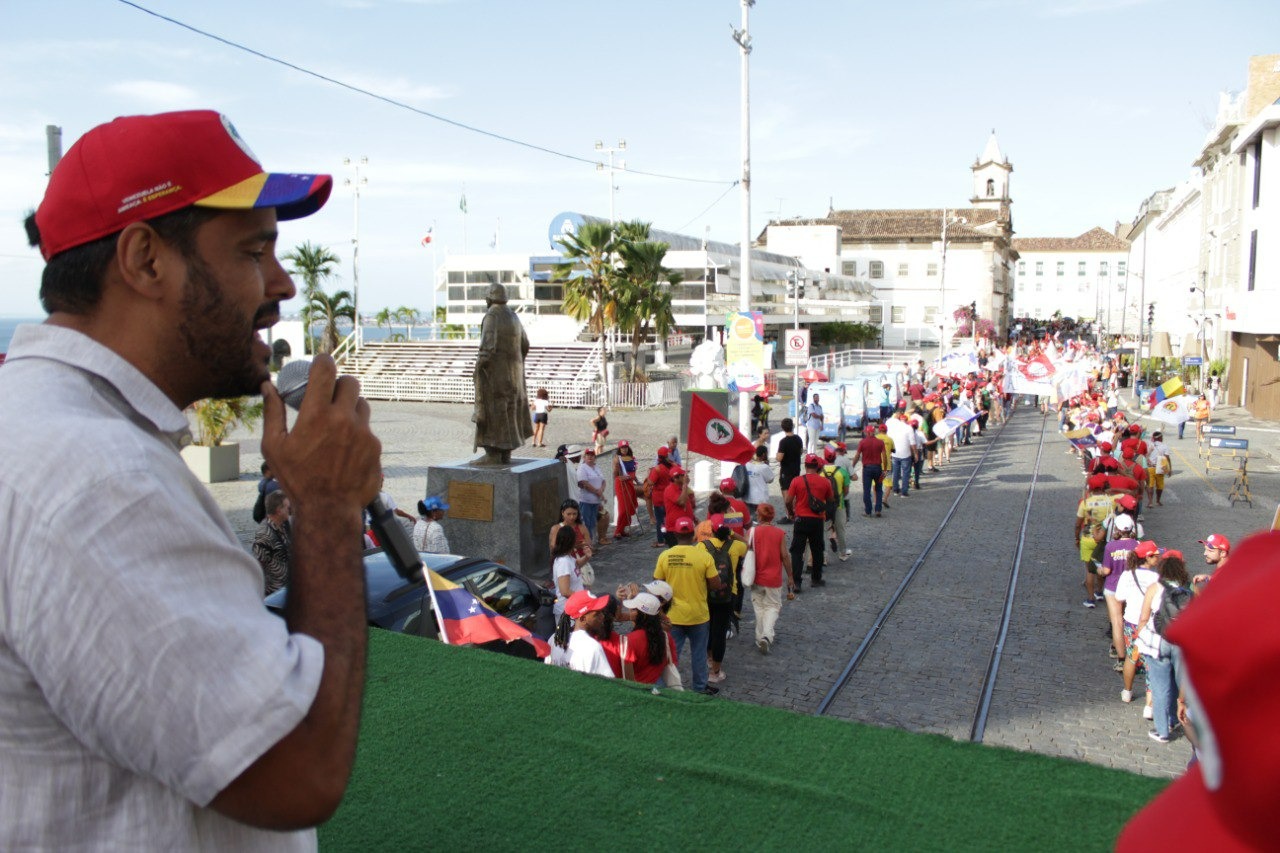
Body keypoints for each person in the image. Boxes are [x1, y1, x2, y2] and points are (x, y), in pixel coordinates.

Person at [2, 110, 380, 846]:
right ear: (145, 260)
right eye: (253, 250)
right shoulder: (94, 478)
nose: (284, 283)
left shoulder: (50, 425)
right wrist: (330, 503)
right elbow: (298, 768)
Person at [654, 517, 724, 695]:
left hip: (673, 615)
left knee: (670, 654)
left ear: (675, 534)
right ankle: (699, 688)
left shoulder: (665, 556)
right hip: (698, 614)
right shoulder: (703, 556)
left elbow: (657, 585)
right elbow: (715, 584)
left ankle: (663, 687)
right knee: (699, 654)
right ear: (693, 535)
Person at [1133, 548, 1193, 743]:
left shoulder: (1155, 588)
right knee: (1177, 681)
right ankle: (1174, 717)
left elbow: (1143, 617)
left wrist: (1140, 636)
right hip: (1181, 642)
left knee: (1160, 686)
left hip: (1158, 641)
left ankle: (1162, 730)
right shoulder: (1188, 590)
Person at [472, 283, 533, 464]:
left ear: (489, 298)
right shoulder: (513, 316)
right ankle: (505, 453)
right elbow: (525, 344)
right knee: (509, 413)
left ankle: (493, 454)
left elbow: (487, 348)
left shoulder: (492, 315)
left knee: (493, 413)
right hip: (514, 376)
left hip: (495, 377)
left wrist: (478, 370)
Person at [701, 515, 747, 685]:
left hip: (707, 593)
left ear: (712, 531)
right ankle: (715, 672)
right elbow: (749, 544)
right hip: (729, 594)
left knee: (707, 627)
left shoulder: (702, 546)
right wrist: (733, 534)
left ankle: (709, 657)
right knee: (720, 631)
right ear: (727, 531)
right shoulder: (735, 546)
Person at [748, 504, 795, 654]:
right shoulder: (779, 533)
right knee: (773, 607)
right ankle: (766, 636)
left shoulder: (752, 532)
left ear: (759, 516)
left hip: (756, 577)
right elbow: (785, 556)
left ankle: (759, 637)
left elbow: (745, 552)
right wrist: (790, 576)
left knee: (759, 607)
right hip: (773, 578)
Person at [785, 454, 835, 590]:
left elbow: (788, 500)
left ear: (805, 466)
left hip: (801, 519)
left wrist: (791, 512)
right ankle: (816, 579)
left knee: (797, 551)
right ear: (818, 466)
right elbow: (830, 500)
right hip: (817, 520)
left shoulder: (797, 481)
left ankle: (796, 581)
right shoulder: (825, 482)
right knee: (817, 550)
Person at [546, 590, 614, 677]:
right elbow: (609, 684)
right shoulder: (592, 647)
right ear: (582, 619)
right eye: (597, 614)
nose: (603, 616)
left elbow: (549, 673)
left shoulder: (554, 639)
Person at [618, 592, 677, 686]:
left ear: (643, 615)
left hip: (639, 691)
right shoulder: (666, 636)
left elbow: (626, 677)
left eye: (633, 609)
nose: (630, 612)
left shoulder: (628, 641)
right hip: (659, 688)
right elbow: (671, 663)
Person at [252, 490, 292, 596]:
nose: (290, 510)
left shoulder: (284, 524)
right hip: (274, 593)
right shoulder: (264, 534)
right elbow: (258, 567)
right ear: (279, 511)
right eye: (287, 507)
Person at [550, 525, 589, 620]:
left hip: (574, 608)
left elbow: (576, 565)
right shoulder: (563, 562)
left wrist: (587, 556)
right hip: (568, 611)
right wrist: (585, 598)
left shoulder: (568, 558)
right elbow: (565, 591)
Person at [643, 447, 676, 548]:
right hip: (670, 497)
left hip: (659, 499)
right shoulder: (672, 466)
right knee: (669, 519)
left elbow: (651, 482)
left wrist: (648, 474)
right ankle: (670, 538)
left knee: (660, 521)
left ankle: (661, 540)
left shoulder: (657, 469)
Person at [575, 447, 606, 544]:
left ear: (595, 457)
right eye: (588, 455)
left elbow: (603, 481)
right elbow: (584, 483)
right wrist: (597, 491)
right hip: (586, 500)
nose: (590, 457)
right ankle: (587, 544)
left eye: (592, 455)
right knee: (586, 523)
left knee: (592, 523)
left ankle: (591, 542)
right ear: (584, 457)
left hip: (596, 501)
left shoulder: (596, 467)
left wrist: (601, 490)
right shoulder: (582, 468)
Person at [775, 417, 803, 522]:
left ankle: (790, 515)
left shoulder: (783, 442)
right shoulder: (798, 439)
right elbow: (800, 452)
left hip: (786, 470)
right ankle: (796, 512)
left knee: (787, 494)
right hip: (796, 468)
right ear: (792, 426)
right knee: (795, 492)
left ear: (783, 428)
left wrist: (776, 455)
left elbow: (779, 458)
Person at [662, 466, 696, 547]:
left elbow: (688, 505)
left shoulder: (682, 489)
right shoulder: (670, 489)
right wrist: (684, 485)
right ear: (676, 478)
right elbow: (681, 502)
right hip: (674, 529)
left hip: (685, 527)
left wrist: (694, 518)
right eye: (683, 475)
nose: (686, 476)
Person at [857, 425, 886, 517]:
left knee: (866, 490)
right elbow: (884, 457)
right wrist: (885, 469)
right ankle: (878, 509)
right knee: (879, 489)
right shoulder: (880, 442)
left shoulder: (862, 442)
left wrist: (852, 465)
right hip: (878, 468)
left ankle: (868, 511)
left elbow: (857, 455)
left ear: (867, 432)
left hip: (867, 469)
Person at [612, 440, 639, 539]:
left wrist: (637, 481)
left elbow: (633, 472)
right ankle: (617, 531)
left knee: (628, 507)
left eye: (626, 447)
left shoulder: (632, 458)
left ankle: (622, 529)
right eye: (622, 447)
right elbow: (615, 475)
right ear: (619, 449)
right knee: (623, 509)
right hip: (621, 484)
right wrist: (619, 476)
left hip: (630, 483)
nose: (624, 449)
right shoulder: (617, 459)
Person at [744, 444, 775, 518]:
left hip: (747, 497)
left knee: (750, 518)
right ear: (764, 454)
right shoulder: (764, 467)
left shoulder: (747, 465)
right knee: (760, 519)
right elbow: (770, 479)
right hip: (760, 498)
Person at [1146, 430, 1171, 506]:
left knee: (1150, 485)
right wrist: (1169, 469)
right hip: (1160, 468)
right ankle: (1158, 500)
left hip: (1150, 467)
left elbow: (1145, 455)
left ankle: (1150, 501)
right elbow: (1167, 458)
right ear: (1160, 438)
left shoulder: (1149, 445)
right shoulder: (1165, 446)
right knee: (1160, 485)